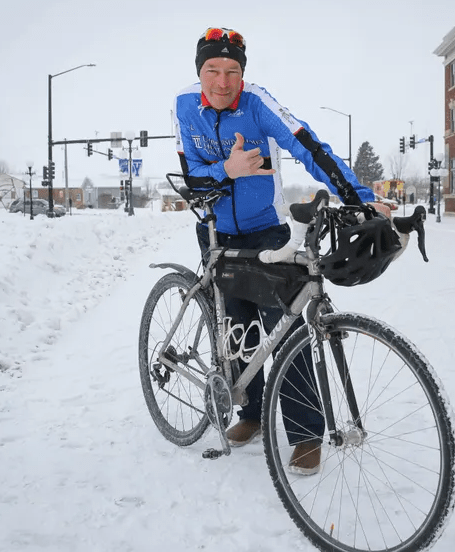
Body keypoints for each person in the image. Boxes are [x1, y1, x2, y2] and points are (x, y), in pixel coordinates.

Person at [173, 27, 381, 475]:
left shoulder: (257, 103)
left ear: (243, 73)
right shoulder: (184, 105)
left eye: (232, 71)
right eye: (213, 70)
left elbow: (309, 147)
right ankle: (251, 413)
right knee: (237, 329)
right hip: (214, 233)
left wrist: (358, 197)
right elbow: (191, 177)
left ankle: (305, 433)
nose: (223, 82)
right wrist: (227, 169)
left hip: (266, 230)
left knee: (283, 330)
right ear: (200, 71)